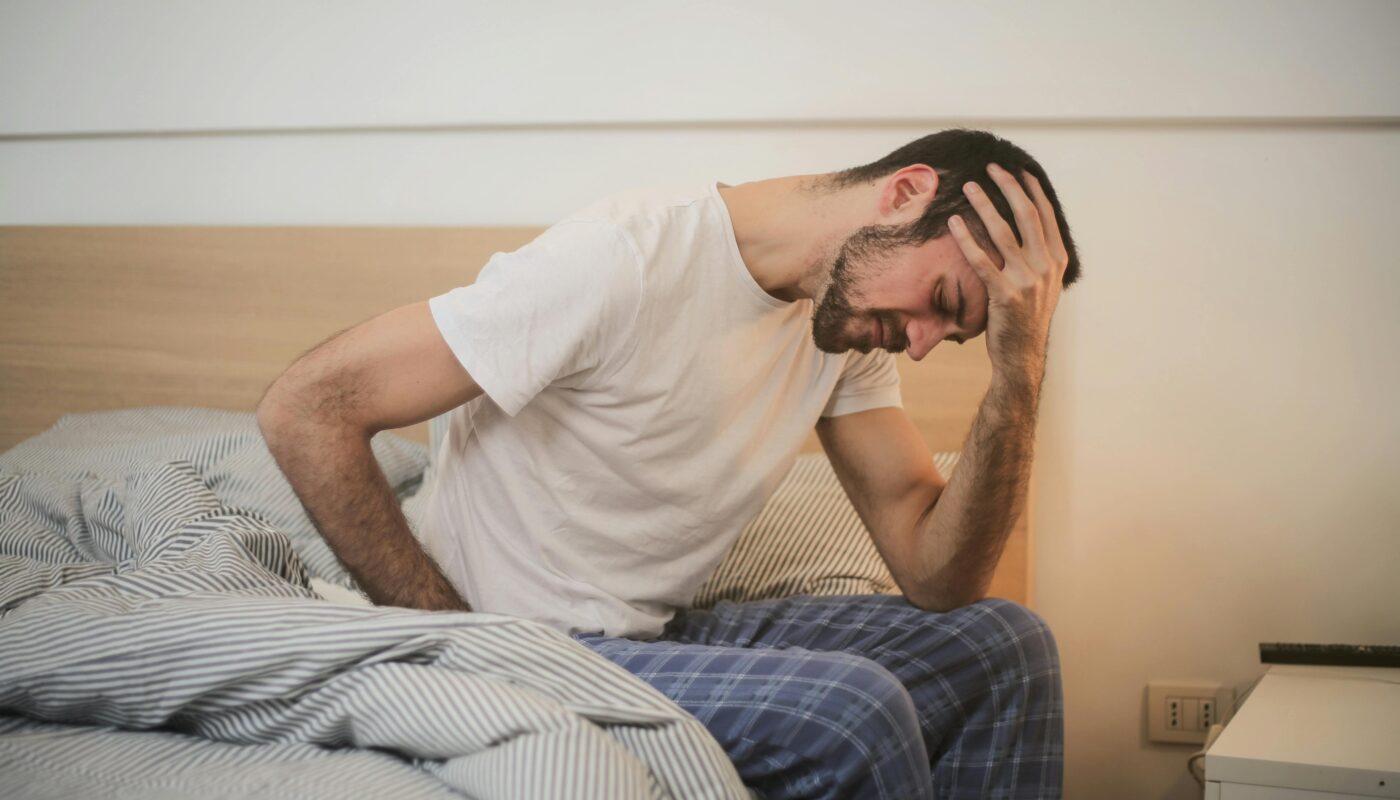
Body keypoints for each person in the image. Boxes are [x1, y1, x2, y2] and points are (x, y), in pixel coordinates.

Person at [258, 128, 1082, 799]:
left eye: (959, 335)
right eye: (942, 304)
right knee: (851, 713)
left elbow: (938, 577)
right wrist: (458, 642)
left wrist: (1019, 369)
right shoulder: (623, 260)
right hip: (525, 641)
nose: (927, 344)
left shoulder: (845, 328)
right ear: (903, 194)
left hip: (650, 633)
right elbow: (308, 406)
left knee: (1003, 647)